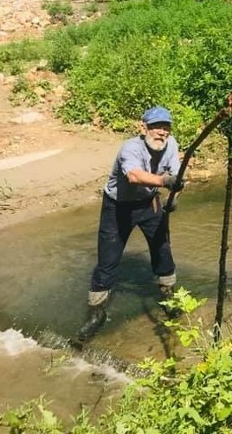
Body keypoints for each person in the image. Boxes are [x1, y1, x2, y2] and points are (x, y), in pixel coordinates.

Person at [76, 106, 184, 343]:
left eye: (165, 127)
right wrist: (165, 181)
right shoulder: (130, 148)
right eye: (156, 127)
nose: (161, 132)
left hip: (149, 204)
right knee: (108, 261)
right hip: (118, 207)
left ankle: (169, 298)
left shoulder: (172, 144)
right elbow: (134, 176)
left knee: (162, 250)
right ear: (143, 127)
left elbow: (177, 176)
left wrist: (174, 197)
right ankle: (96, 314)